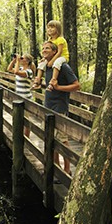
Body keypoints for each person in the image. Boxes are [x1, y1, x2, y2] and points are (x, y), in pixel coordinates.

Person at [40, 41, 80, 174]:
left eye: (48, 48)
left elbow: (76, 85)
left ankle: (67, 170)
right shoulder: (47, 66)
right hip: (48, 107)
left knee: (62, 141)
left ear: (54, 52)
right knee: (50, 140)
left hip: (59, 108)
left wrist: (59, 88)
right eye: (43, 48)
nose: (44, 50)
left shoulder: (63, 66)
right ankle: (56, 168)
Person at [32, 20, 70, 90]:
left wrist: (51, 61)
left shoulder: (60, 39)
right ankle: (38, 80)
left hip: (62, 56)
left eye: (52, 27)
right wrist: (44, 58)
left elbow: (59, 52)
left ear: (58, 29)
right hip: (54, 56)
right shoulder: (50, 39)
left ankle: (53, 81)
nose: (49, 29)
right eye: (48, 27)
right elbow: (48, 51)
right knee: (41, 63)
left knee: (57, 63)